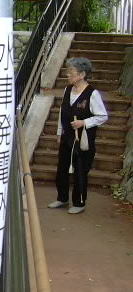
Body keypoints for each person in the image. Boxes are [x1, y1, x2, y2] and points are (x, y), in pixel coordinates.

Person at [48, 57, 108, 214]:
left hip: (83, 140)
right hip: (67, 137)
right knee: (62, 168)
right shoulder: (67, 90)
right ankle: (62, 198)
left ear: (82, 74)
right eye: (68, 72)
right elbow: (62, 112)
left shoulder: (92, 94)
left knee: (80, 170)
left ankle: (79, 202)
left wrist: (84, 123)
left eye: (71, 72)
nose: (68, 75)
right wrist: (59, 132)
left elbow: (102, 116)